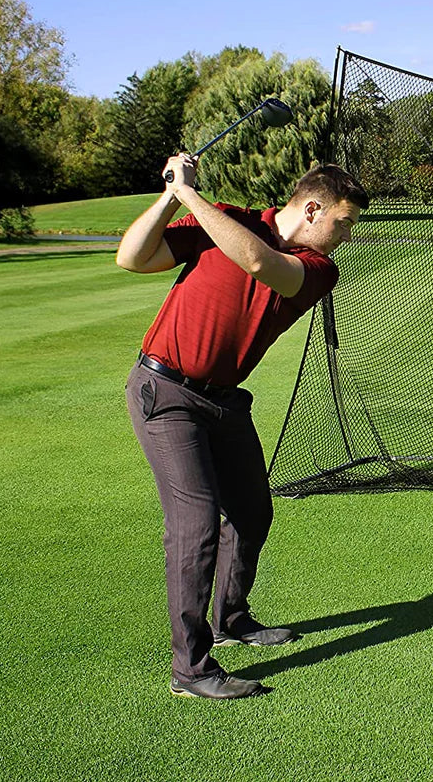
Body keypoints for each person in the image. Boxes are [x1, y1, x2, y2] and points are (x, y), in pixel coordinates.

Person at [117, 154, 369, 699]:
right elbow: (132, 257)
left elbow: (258, 262)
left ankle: (232, 619)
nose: (346, 236)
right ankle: (191, 669)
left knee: (252, 512)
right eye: (343, 223)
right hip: (166, 393)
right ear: (312, 208)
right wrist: (171, 195)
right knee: (197, 523)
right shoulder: (226, 218)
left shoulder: (319, 268)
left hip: (225, 402)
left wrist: (190, 196)